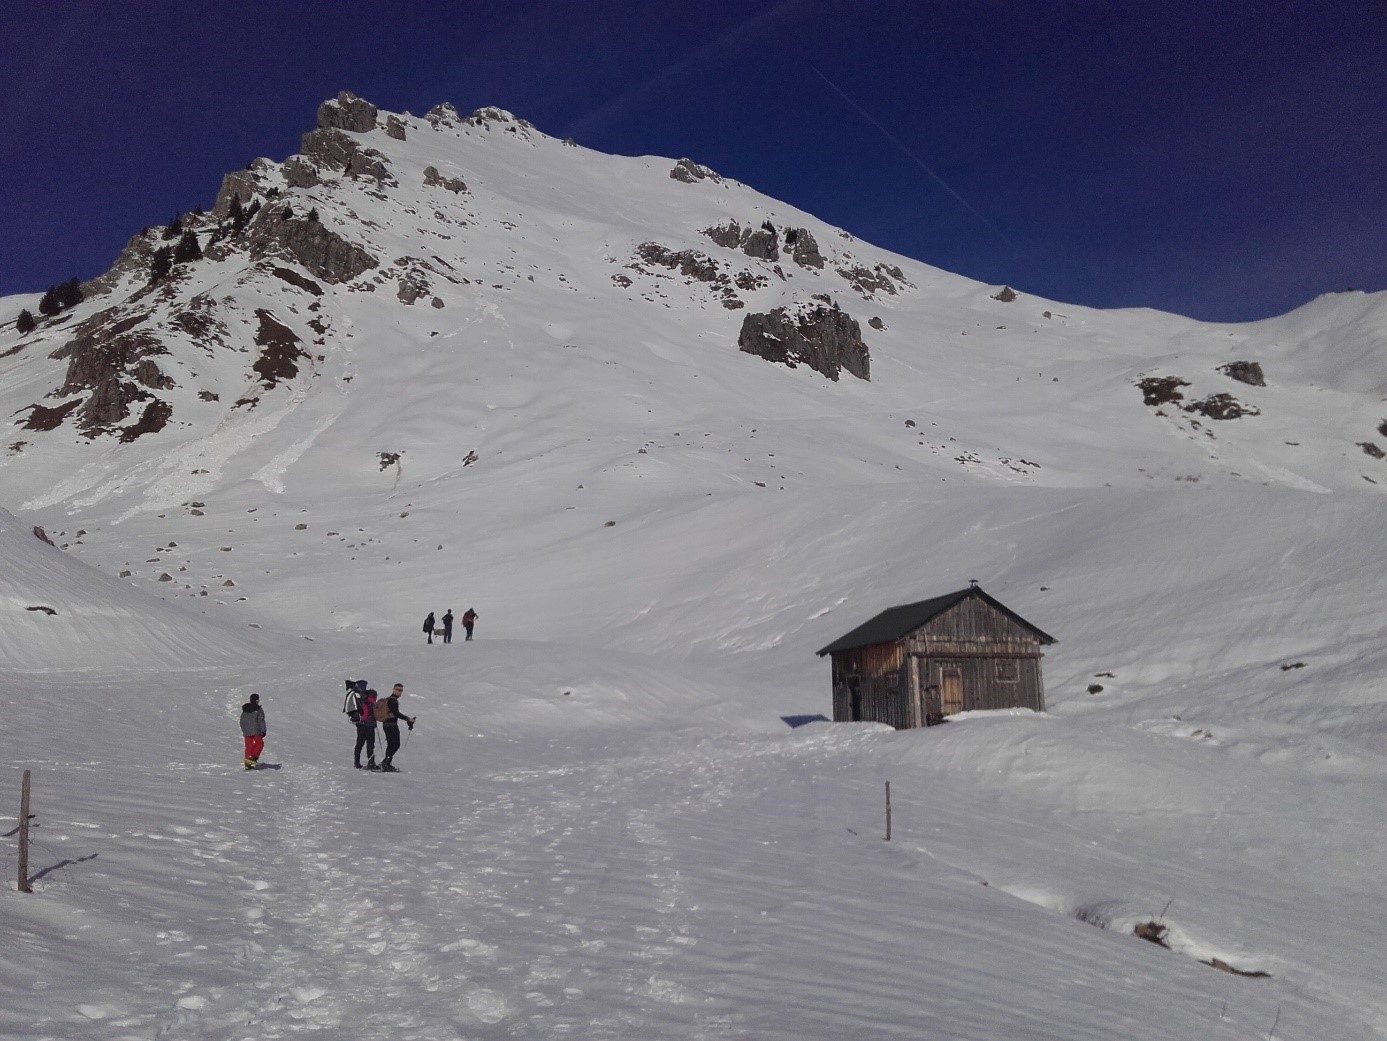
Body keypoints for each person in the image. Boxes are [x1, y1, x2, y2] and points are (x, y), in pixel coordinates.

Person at [377, 682, 416, 773]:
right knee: (395, 744)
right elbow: (396, 713)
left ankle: (386, 762)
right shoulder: (393, 701)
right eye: (398, 690)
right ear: (393, 689)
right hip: (392, 725)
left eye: (401, 691)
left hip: (386, 724)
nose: (399, 692)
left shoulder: (388, 699)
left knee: (391, 744)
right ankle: (386, 763)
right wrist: (408, 719)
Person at [354, 686, 380, 770]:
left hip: (361, 725)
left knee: (359, 744)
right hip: (370, 726)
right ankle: (371, 763)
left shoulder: (361, 700)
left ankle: (356, 763)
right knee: (370, 745)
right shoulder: (372, 702)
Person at [240, 693, 267, 769]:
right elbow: (261, 720)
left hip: (246, 731)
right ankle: (252, 760)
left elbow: (242, 721)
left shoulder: (245, 709)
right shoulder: (258, 709)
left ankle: (248, 763)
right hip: (256, 731)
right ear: (257, 700)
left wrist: (244, 730)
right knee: (259, 744)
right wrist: (263, 731)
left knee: (249, 746)